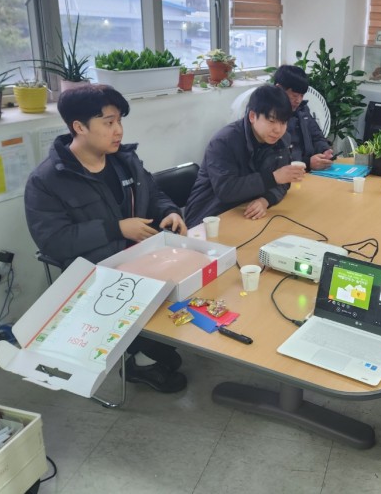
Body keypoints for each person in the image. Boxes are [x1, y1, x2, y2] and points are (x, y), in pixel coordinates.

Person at [24, 84, 188, 393]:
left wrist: (169, 212)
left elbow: (154, 194)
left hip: (144, 259)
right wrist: (116, 229)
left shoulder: (124, 160)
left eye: (119, 121)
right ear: (79, 127)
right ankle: (141, 360)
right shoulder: (47, 180)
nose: (118, 131)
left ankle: (153, 345)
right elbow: (53, 241)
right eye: (108, 122)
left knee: (198, 275)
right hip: (96, 274)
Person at [184, 85, 304, 227]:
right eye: (271, 121)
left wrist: (266, 200)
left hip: (246, 213)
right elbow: (226, 190)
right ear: (252, 116)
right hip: (210, 217)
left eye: (283, 122)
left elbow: (283, 181)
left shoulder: (281, 140)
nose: (278, 130)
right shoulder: (224, 142)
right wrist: (273, 178)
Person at [273, 64, 334, 171]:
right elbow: (275, 157)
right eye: (295, 95)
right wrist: (307, 163)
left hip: (309, 170)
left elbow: (317, 136)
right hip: (288, 173)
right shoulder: (270, 116)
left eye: (302, 95)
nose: (298, 100)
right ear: (279, 89)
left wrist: (325, 151)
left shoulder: (302, 109)